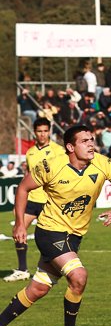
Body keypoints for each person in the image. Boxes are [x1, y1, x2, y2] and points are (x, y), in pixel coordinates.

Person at [0, 125, 111, 326]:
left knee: (38, 289)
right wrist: (20, 223)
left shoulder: (103, 163)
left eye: (92, 139)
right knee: (79, 276)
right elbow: (23, 188)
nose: (91, 144)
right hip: (50, 231)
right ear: (71, 147)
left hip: (74, 236)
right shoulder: (52, 166)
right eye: (85, 141)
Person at [5, 119, 65, 283]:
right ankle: (22, 270)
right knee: (18, 231)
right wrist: (19, 204)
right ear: (34, 132)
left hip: (49, 201)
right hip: (31, 200)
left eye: (45, 131)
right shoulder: (30, 152)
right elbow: (28, 177)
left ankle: (53, 269)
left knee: (52, 238)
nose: (42, 134)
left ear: (49, 131)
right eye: (39, 131)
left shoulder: (58, 151)